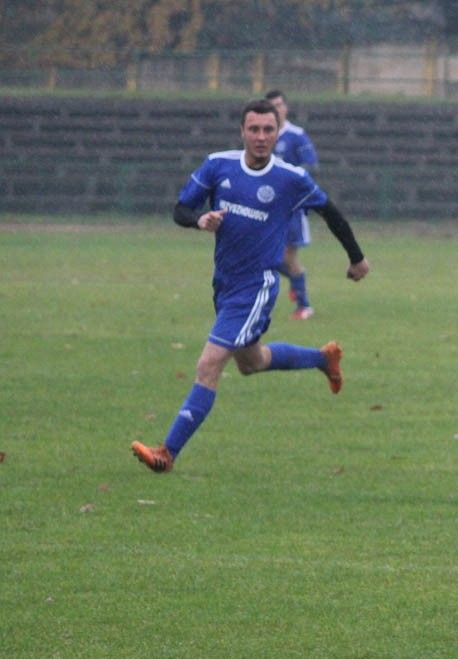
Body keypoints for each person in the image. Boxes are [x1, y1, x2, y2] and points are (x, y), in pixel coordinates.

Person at [131, 99, 370, 473]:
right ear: (242, 131)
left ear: (278, 133)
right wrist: (199, 220)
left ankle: (167, 452)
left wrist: (357, 258)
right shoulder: (218, 165)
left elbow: (330, 212)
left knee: (209, 364)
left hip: (256, 287)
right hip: (225, 284)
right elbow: (180, 209)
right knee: (251, 362)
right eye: (254, 129)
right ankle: (322, 359)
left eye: (268, 130)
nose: (261, 137)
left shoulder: (291, 179)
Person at [266, 89, 320, 320]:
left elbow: (311, 165)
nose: (276, 109)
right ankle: (296, 283)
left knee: (288, 257)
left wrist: (291, 183)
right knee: (266, 257)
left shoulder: (296, 135)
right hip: (266, 207)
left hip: (291, 209)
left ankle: (304, 306)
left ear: (286, 108)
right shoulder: (263, 135)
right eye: (271, 106)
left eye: (279, 104)